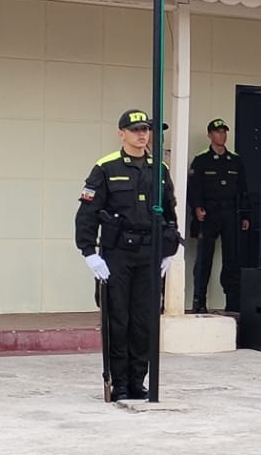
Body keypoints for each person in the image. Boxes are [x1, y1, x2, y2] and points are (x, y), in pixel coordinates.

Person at [75, 109, 180, 401]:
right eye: (135, 130)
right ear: (121, 133)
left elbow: (170, 212)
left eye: (145, 129)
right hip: (117, 254)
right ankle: (119, 382)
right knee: (118, 319)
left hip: (149, 253)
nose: (142, 134)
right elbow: (87, 213)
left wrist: (168, 251)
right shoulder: (105, 167)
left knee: (144, 320)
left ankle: (137, 381)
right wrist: (89, 252)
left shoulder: (159, 169)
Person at [187, 118, 250, 314]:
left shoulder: (235, 160)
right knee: (204, 259)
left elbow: (243, 190)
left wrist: (245, 215)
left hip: (230, 213)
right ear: (210, 135)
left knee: (232, 259)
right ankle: (199, 302)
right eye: (217, 132)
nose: (221, 135)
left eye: (224, 132)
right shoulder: (201, 160)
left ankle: (232, 303)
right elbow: (194, 188)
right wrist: (197, 207)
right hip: (209, 214)